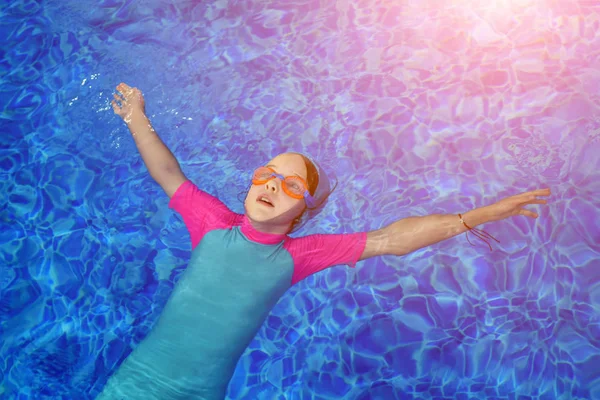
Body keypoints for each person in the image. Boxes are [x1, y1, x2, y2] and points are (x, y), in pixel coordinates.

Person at [98, 83, 551, 400]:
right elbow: (167, 172)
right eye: (267, 175)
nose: (273, 186)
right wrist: (137, 116)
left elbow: (391, 239)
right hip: (138, 381)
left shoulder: (298, 256)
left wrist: (473, 217)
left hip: (201, 393)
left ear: (305, 211)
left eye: (291, 186)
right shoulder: (213, 221)